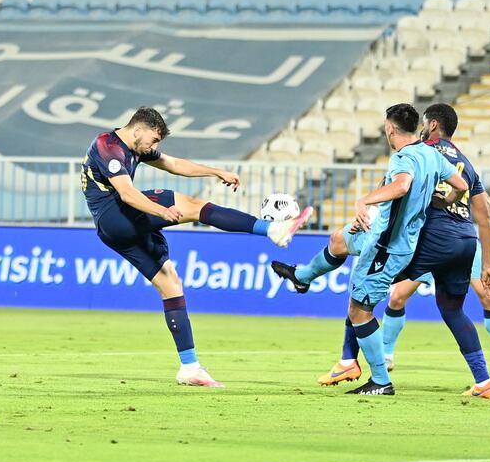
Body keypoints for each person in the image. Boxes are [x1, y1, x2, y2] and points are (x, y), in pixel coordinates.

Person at [82, 107, 313, 388]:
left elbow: (175, 164)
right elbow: (128, 194)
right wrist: (160, 211)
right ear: (138, 130)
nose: (154, 147)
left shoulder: (137, 147)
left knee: (171, 284)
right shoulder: (108, 145)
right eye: (153, 140)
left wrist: (215, 172)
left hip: (114, 232)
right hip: (115, 215)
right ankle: (273, 229)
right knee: (194, 207)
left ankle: (189, 367)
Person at [272, 103, 468, 395]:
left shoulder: (403, 158)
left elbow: (402, 186)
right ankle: (302, 277)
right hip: (381, 232)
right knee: (338, 240)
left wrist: (364, 201)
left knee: (359, 309)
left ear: (390, 128)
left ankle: (381, 381)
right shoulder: (431, 154)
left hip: (388, 245)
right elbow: (461, 184)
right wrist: (443, 199)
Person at [381, 193, 490, 379]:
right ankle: (386, 356)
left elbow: (488, 206)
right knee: (398, 296)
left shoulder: (461, 173)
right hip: (427, 242)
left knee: (487, 296)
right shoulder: (429, 171)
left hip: (460, 243)